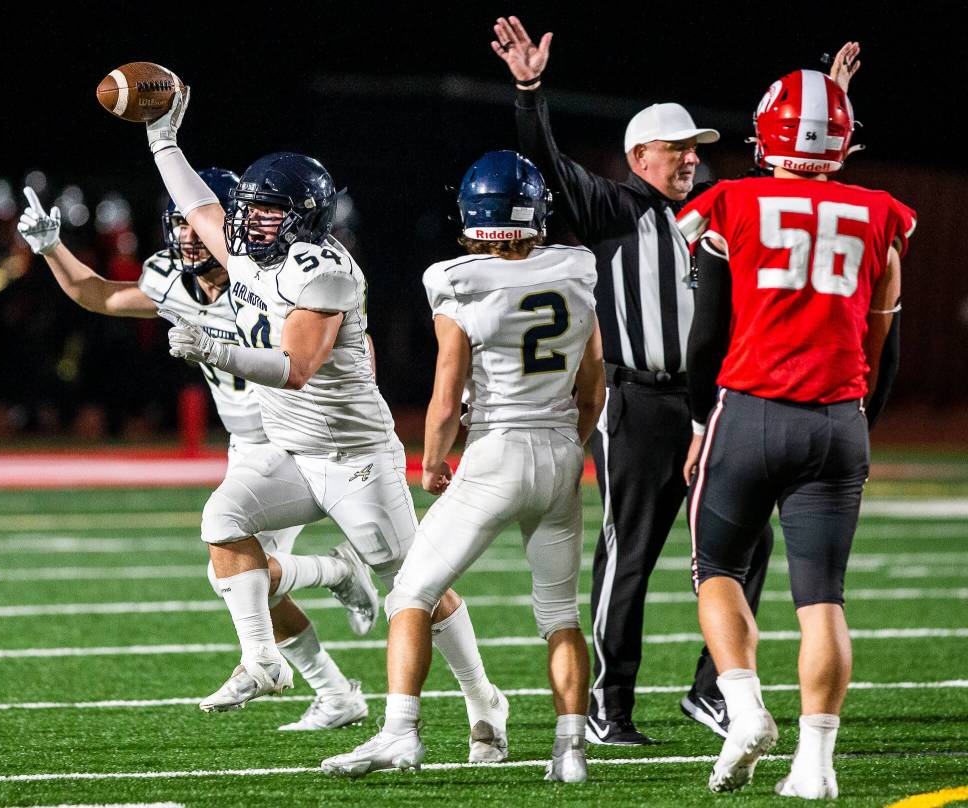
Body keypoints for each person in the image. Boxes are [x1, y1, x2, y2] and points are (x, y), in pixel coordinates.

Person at [138, 85, 507, 761]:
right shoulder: (253, 247)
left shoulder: (325, 270)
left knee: (416, 584)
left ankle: (484, 696)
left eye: (268, 211)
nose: (248, 224)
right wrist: (163, 138)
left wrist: (214, 348)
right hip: (292, 451)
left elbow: (299, 366)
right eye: (248, 210)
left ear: (305, 217)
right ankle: (264, 661)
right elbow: (196, 200)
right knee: (223, 522)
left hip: (353, 455)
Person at [491, 15, 775, 744]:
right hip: (640, 401)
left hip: (710, 404)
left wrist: (821, 129)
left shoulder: (715, 213)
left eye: (695, 148)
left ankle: (713, 689)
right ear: (639, 153)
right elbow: (547, 166)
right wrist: (529, 91)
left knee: (747, 543)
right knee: (631, 554)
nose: (690, 158)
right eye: (676, 148)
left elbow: (785, 189)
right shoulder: (613, 207)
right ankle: (608, 706)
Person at [16, 172, 380, 731]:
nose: (188, 236)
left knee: (239, 575)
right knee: (239, 576)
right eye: (179, 224)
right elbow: (100, 294)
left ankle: (323, 601)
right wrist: (50, 248)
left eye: (197, 223)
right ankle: (335, 678)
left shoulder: (268, 276)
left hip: (293, 438)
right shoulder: (171, 282)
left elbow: (344, 339)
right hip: (245, 444)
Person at [321, 151, 605, 781]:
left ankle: (400, 734)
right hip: (561, 454)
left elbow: (447, 393)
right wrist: (570, 443)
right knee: (559, 615)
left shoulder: (458, 279)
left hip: (497, 451)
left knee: (410, 594)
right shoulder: (576, 269)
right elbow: (593, 388)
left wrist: (433, 461)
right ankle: (571, 751)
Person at [679, 69, 913, 797]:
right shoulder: (881, 215)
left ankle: (744, 708)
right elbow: (887, 347)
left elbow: (704, 337)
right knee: (823, 600)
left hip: (750, 410)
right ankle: (816, 769)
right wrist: (857, 428)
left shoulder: (731, 202)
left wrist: (697, 421)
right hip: (839, 422)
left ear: (765, 133)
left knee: (715, 569)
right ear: (844, 140)